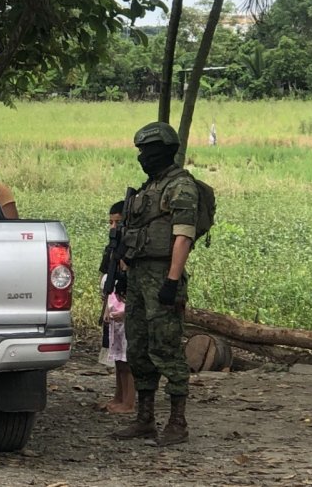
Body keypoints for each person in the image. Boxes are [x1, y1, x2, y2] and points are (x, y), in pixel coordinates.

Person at [112, 121, 200, 447]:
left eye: (147, 151)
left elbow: (183, 236)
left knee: (166, 347)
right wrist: (125, 271)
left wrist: (172, 281)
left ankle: (178, 422)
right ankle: (145, 419)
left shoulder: (180, 186)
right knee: (138, 346)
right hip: (138, 276)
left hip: (163, 275)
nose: (142, 157)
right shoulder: (150, 186)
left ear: (163, 151)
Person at [100, 200, 134, 414]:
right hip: (114, 309)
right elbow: (106, 278)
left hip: (128, 310)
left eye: (118, 222)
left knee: (129, 359)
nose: (113, 227)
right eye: (110, 222)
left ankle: (129, 401)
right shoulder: (111, 250)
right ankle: (118, 396)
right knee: (118, 357)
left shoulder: (132, 250)